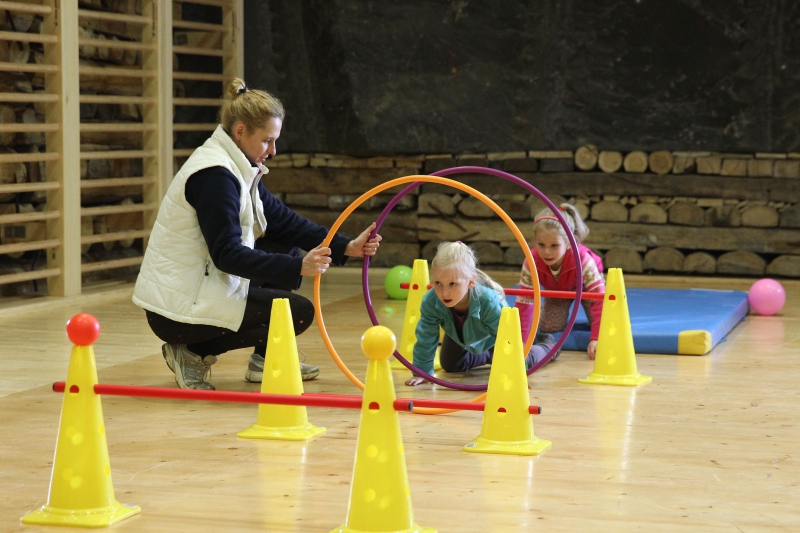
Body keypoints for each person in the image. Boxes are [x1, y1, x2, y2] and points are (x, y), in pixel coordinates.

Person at [133, 78, 381, 390]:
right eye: (267, 141)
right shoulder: (215, 176)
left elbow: (284, 222)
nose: (273, 150)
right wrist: (298, 268)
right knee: (297, 312)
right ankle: (191, 351)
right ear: (240, 132)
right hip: (176, 314)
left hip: (198, 291)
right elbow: (226, 254)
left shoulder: (239, 165)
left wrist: (347, 247)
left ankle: (265, 359)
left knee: (285, 245)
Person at [405, 241, 553, 386]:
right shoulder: (431, 301)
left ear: (470, 282)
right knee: (451, 365)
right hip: (462, 336)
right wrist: (422, 372)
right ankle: (490, 356)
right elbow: (426, 336)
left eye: (452, 284)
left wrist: (517, 373)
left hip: (496, 338)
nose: (445, 292)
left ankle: (549, 346)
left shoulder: (487, 300)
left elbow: (508, 338)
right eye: (438, 283)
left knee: (526, 357)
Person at [515, 203, 604, 360]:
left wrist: (596, 338)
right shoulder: (531, 261)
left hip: (587, 290)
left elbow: (600, 299)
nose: (547, 252)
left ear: (569, 242)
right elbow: (524, 301)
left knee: (604, 323)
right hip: (558, 291)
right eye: (541, 245)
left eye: (554, 245)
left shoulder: (583, 259)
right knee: (548, 327)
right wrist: (521, 342)